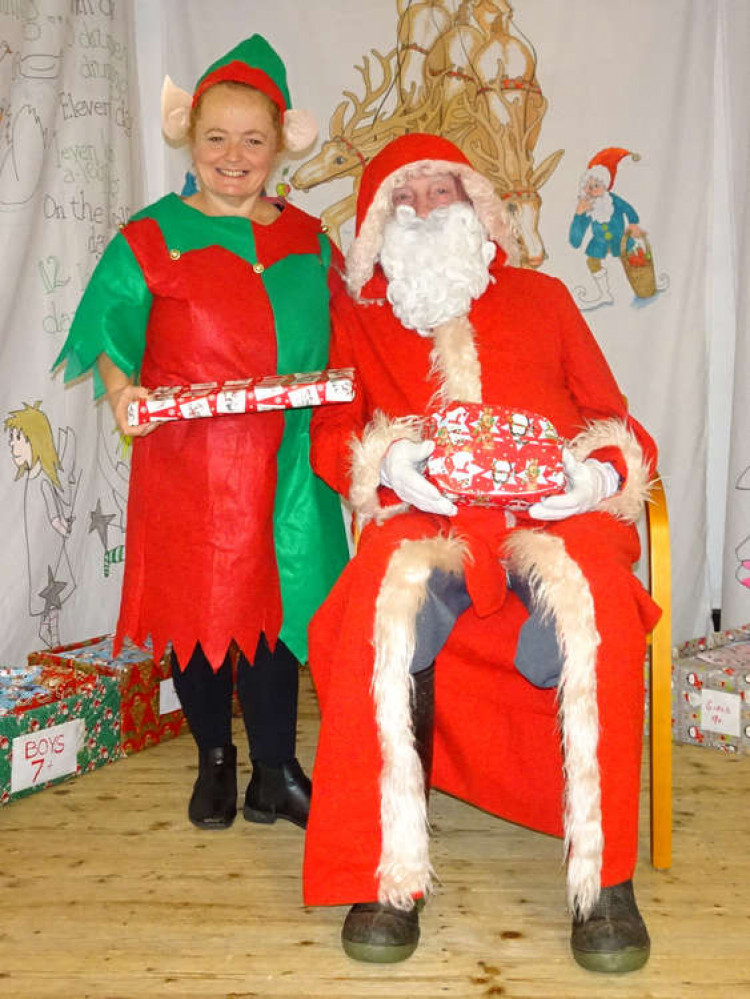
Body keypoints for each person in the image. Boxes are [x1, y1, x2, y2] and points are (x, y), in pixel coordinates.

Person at [302, 133, 661, 973]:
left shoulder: (543, 296)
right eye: (406, 197)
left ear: (477, 205)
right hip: (427, 518)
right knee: (374, 611)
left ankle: (601, 878)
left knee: (599, 606)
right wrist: (384, 462)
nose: (426, 209)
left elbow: (616, 417)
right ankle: (388, 871)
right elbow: (331, 431)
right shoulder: (357, 312)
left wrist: (593, 471)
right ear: (378, 221)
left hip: (549, 518)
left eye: (443, 193)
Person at [54, 36, 349, 833]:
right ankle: (216, 760)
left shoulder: (311, 239)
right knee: (202, 614)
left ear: (281, 143)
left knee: (278, 610)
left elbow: (348, 337)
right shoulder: (150, 236)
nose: (234, 155)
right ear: (190, 136)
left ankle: (276, 770)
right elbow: (111, 331)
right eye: (216, 136)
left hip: (287, 465)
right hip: (191, 463)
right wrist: (122, 392)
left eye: (254, 138)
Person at [569, 147, 646, 308]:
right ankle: (605, 294)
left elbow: (629, 209)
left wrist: (633, 223)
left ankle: (644, 284)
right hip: (599, 243)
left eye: (596, 185)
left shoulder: (613, 200)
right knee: (593, 262)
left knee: (633, 257)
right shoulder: (587, 207)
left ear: (605, 186)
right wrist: (578, 215)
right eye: (588, 186)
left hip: (620, 239)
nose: (592, 189)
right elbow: (575, 240)